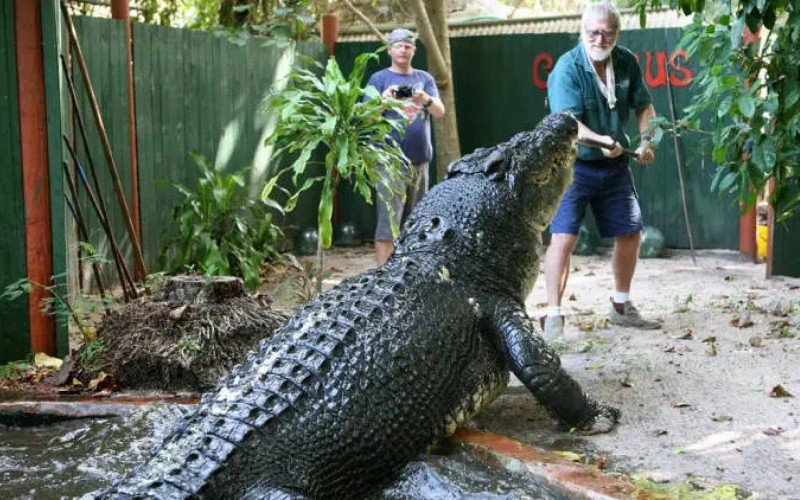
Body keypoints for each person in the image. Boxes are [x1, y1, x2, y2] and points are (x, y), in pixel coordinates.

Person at [542, 1, 661, 338]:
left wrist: (647, 141)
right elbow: (569, 125)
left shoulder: (625, 61)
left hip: (615, 165)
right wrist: (604, 141)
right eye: (593, 32)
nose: (599, 38)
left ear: (617, 34)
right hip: (572, 165)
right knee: (563, 237)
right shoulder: (567, 68)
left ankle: (621, 306)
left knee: (631, 232)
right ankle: (553, 315)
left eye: (606, 33)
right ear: (583, 31)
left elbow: (645, 107)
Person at [366, 28, 445, 266]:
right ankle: (384, 279)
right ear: (390, 50)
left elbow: (440, 113)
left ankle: (411, 275)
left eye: (408, 46)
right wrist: (384, 100)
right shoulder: (378, 79)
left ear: (414, 50)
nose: (403, 50)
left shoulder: (425, 79)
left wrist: (425, 99)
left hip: (420, 161)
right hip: (389, 163)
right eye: (398, 46)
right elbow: (366, 118)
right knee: (388, 223)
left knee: (418, 223)